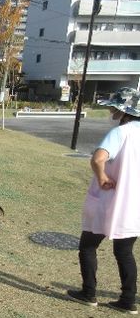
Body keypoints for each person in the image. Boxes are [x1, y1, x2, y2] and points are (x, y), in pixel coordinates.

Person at [67, 87, 140, 315]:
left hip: (108, 201)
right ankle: (128, 300)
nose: (110, 109)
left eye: (113, 106)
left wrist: (102, 178)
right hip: (134, 204)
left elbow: (98, 159)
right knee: (125, 252)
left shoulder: (122, 132)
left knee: (88, 246)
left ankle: (89, 293)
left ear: (123, 109)